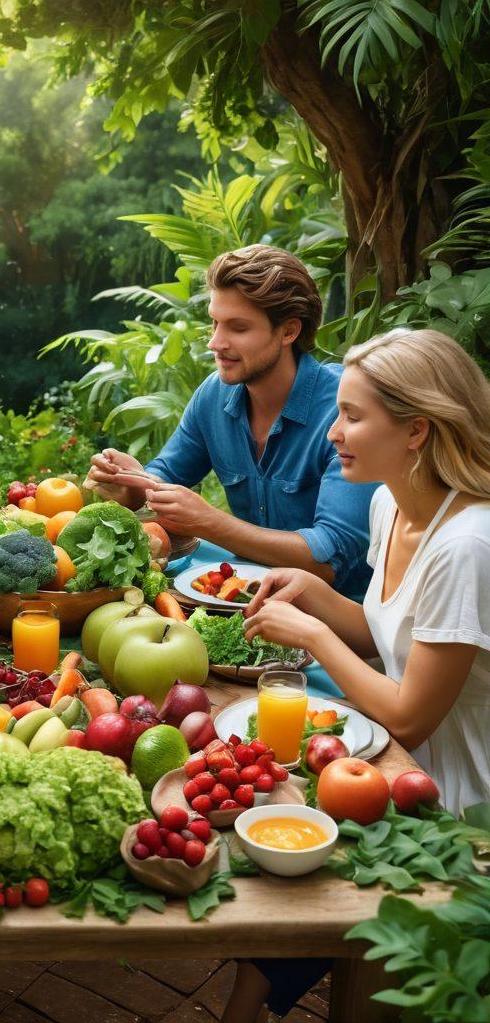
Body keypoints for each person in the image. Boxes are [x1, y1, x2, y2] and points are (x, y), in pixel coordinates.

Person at [223, 328, 490, 1023]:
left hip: (456, 813)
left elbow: (408, 714)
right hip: (390, 772)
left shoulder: (468, 545)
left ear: (417, 432)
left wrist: (310, 633)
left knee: (313, 925)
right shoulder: (389, 503)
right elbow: (388, 635)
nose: (334, 432)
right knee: (269, 907)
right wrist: (312, 594)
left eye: (354, 416)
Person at [88, 245, 377, 596]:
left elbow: (330, 559)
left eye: (237, 328)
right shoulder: (214, 396)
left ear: (288, 332)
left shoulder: (345, 409)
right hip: (244, 600)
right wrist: (132, 484)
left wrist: (211, 523)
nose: (215, 342)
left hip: (341, 624)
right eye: (214, 322)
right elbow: (166, 474)